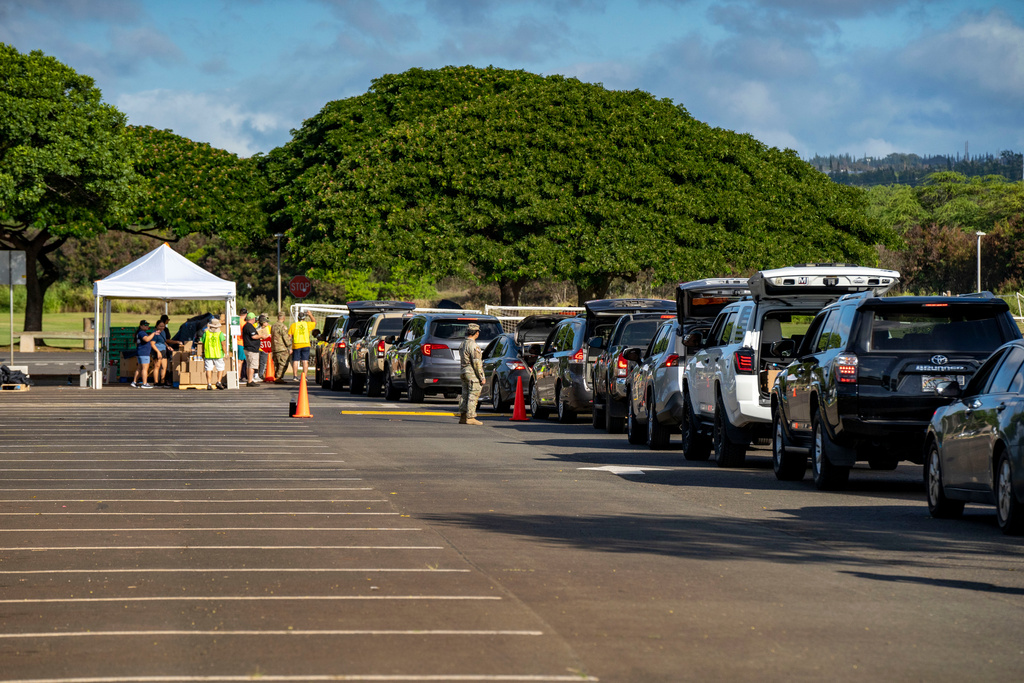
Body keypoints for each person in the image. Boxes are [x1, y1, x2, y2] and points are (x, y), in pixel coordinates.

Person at [458, 322, 486, 425]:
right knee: (473, 394)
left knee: (464, 394)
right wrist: (481, 377)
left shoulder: (463, 343)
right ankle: (470, 417)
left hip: (463, 371)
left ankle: (463, 416)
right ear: (476, 333)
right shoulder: (474, 346)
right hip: (472, 372)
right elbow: (477, 363)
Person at [288, 310, 316, 381]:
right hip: (306, 344)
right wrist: (310, 315)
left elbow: (289, 336)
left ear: (298, 318)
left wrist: (289, 346)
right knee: (305, 361)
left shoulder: (293, 325)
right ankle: (305, 376)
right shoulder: (307, 324)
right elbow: (314, 322)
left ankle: (295, 376)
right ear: (304, 318)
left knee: (295, 360)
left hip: (296, 344)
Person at [201, 317, 228, 390]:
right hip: (218, 354)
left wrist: (202, 352)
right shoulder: (220, 334)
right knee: (220, 368)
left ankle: (209, 384)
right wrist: (225, 352)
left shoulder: (206, 333)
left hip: (208, 353)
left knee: (208, 369)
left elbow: (202, 343)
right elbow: (223, 344)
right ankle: (218, 382)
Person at [132, 320, 158, 388]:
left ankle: (134, 382)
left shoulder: (139, 333)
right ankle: (144, 383)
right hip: (144, 353)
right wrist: (153, 334)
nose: (147, 326)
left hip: (140, 352)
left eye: (147, 325)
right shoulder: (142, 333)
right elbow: (147, 339)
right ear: (141, 326)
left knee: (139, 368)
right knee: (144, 369)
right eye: (145, 325)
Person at [270, 311, 292, 383]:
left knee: (276, 363)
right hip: (282, 348)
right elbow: (285, 338)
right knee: (283, 363)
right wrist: (289, 346)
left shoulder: (273, 326)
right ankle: (278, 377)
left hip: (274, 347)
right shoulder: (282, 326)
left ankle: (276, 376)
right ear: (284, 318)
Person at [241, 312, 262, 387]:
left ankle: (249, 379)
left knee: (249, 365)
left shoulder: (245, 326)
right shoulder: (249, 327)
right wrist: (261, 336)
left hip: (247, 348)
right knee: (252, 365)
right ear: (253, 319)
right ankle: (250, 381)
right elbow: (253, 336)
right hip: (252, 348)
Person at [257, 314, 272, 380]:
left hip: (266, 347)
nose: (267, 323)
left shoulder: (269, 327)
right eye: (266, 322)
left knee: (263, 362)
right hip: (259, 347)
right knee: (257, 362)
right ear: (263, 323)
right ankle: (256, 375)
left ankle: (261, 375)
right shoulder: (257, 328)